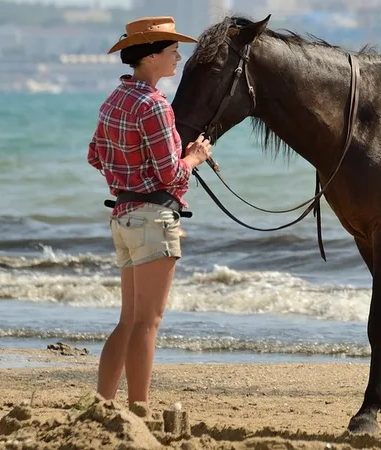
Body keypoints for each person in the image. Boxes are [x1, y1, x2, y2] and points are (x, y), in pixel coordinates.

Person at [87, 16, 213, 407]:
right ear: (151, 56)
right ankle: (138, 411)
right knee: (147, 323)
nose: (178, 55)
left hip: (124, 216)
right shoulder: (155, 105)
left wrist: (128, 177)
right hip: (150, 217)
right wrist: (195, 157)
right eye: (171, 48)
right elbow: (171, 174)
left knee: (129, 321)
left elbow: (95, 156)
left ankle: (102, 405)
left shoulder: (115, 99)